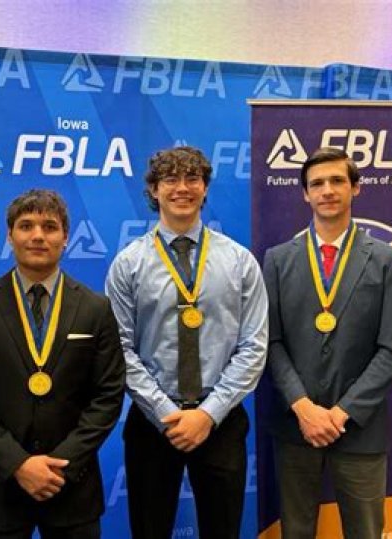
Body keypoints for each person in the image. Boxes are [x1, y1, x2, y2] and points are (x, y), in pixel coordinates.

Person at [105, 146, 268, 538]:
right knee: (149, 531)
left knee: (223, 531)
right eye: (170, 179)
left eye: (192, 179)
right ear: (154, 190)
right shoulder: (128, 263)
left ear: (205, 188)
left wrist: (208, 414)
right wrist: (166, 412)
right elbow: (118, 348)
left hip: (220, 420)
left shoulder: (239, 261)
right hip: (152, 421)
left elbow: (254, 345)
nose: (182, 188)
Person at [0, 189, 125, 539]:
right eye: (26, 225)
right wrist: (18, 464)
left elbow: (107, 396)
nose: (38, 235)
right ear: (9, 235)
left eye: (50, 226)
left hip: (71, 486)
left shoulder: (95, 308)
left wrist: (61, 465)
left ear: (66, 237)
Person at [262, 147, 392, 539]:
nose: (327, 190)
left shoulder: (388, 261)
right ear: (305, 194)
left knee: (365, 532)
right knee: (295, 532)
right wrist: (304, 409)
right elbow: (270, 342)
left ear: (355, 188)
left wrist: (342, 413)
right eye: (317, 184)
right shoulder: (277, 260)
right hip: (296, 426)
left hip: (360, 428)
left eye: (337, 181)